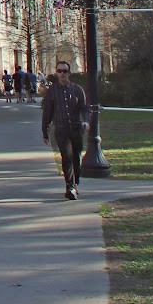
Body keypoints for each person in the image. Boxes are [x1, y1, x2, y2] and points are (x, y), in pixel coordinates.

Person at [40, 60, 91, 200]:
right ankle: (70, 186)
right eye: (59, 71)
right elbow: (47, 112)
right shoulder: (52, 92)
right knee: (66, 157)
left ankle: (76, 182)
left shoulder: (77, 89)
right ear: (56, 73)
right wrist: (45, 131)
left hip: (76, 127)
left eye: (65, 71)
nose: (62, 74)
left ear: (69, 73)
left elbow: (85, 108)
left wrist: (86, 121)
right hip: (61, 129)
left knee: (76, 157)